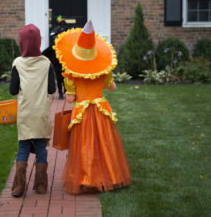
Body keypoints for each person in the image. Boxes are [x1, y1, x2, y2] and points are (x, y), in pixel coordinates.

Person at [53, 20, 131, 194]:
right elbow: (112, 87)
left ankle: (85, 178)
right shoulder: (103, 70)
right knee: (105, 143)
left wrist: (72, 92)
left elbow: (71, 97)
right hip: (100, 109)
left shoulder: (71, 73)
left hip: (82, 112)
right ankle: (111, 176)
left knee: (84, 146)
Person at [9, 24, 56, 197]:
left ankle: (19, 186)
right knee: (41, 149)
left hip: (25, 113)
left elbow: (13, 90)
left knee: (23, 148)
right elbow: (51, 89)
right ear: (38, 42)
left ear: (22, 43)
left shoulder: (17, 63)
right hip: (41, 113)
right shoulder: (46, 63)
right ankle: (41, 185)